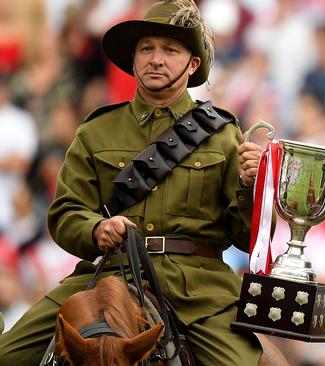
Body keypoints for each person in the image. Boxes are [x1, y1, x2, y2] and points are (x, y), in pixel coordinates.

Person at [0, 1, 282, 365]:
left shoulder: (224, 135)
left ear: (192, 64)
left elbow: (248, 239)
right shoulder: (96, 130)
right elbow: (65, 213)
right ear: (133, 60)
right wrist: (96, 228)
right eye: (146, 48)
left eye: (170, 50)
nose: (156, 59)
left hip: (199, 291)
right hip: (107, 275)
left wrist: (252, 187)